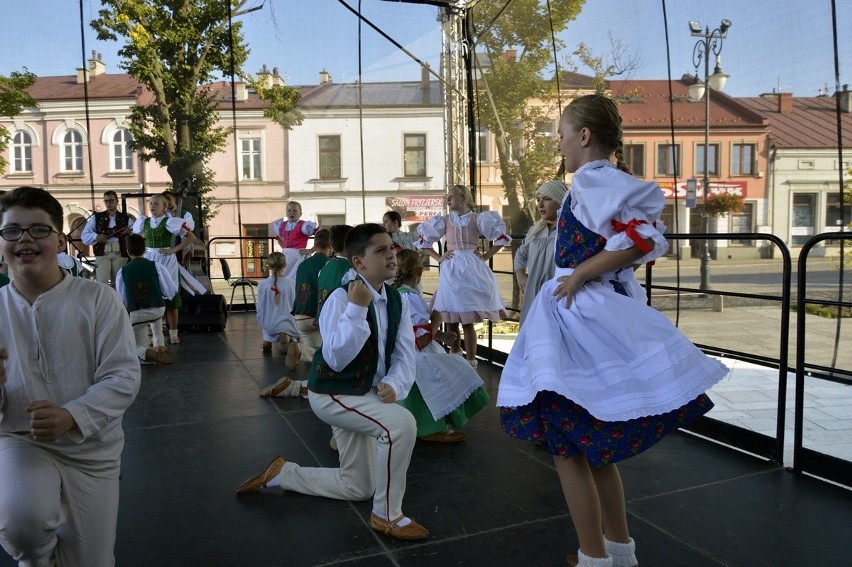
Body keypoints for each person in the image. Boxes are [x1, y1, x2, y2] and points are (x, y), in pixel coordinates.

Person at [496, 95, 728, 567]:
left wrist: (581, 273)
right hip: (586, 318)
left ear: (583, 137)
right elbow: (639, 237)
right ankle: (619, 551)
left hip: (582, 320)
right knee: (594, 445)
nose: (559, 144)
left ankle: (594, 556)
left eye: (562, 134)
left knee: (566, 445)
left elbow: (643, 239)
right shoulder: (592, 184)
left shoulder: (592, 179)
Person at [236, 223, 428, 541]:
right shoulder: (340, 300)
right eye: (380, 250)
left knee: (357, 485)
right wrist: (357, 307)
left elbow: (405, 354)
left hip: (366, 396)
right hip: (334, 394)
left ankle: (284, 475)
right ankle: (388, 515)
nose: (392, 255)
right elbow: (337, 359)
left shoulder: (397, 301)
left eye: (391, 248)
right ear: (358, 262)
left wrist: (395, 383)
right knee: (402, 425)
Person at [0, 186, 140, 566]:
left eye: (38, 230)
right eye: (12, 231)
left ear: (60, 240)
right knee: (22, 525)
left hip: (92, 451)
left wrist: (70, 416)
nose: (25, 239)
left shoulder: (98, 300)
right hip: (20, 439)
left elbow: (123, 376)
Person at [393, 249, 490, 442]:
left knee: (445, 366)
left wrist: (442, 336)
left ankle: (432, 424)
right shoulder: (410, 298)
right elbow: (418, 340)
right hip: (413, 355)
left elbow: (418, 332)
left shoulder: (401, 294)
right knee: (448, 369)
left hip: (406, 352)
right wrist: (436, 321)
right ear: (420, 272)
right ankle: (431, 427)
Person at [415, 184, 511, 367]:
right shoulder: (445, 220)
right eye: (448, 196)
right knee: (451, 319)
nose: (448, 199)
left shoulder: (477, 219)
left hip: (471, 271)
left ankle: (471, 361)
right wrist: (439, 257)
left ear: (465, 198)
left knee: (467, 320)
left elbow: (501, 237)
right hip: (452, 270)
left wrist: (486, 255)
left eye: (452, 196)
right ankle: (455, 358)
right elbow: (424, 240)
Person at [131, 194, 197, 345]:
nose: (152, 206)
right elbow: (136, 238)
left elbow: (190, 237)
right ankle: (155, 334)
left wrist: (173, 250)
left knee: (171, 296)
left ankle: (173, 333)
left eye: (156, 204)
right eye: (151, 203)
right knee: (151, 296)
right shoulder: (144, 222)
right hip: (149, 259)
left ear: (164, 207)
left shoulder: (170, 222)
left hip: (166, 260)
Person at [115, 233, 178, 366]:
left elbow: (122, 298)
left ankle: (144, 353)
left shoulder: (123, 271)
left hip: (137, 314)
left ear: (128, 252)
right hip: (158, 310)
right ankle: (160, 347)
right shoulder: (156, 266)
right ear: (145, 250)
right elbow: (170, 290)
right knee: (155, 317)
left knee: (136, 340)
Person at [514, 180, 569, 326]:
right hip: (533, 294)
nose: (540, 205)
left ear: (560, 200)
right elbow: (520, 254)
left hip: (557, 294)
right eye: (538, 200)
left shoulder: (570, 232)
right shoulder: (535, 231)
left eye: (547, 199)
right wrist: (520, 275)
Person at [291, 228, 332, 361]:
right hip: (316, 316)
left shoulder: (303, 264)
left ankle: (301, 350)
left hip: (299, 316)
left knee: (312, 353)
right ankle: (301, 351)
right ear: (331, 246)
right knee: (327, 354)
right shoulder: (329, 264)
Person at [256, 252, 301, 368]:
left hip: (269, 326)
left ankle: (267, 340)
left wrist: (263, 321)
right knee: (289, 315)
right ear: (285, 265)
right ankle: (289, 338)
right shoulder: (291, 284)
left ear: (269, 266)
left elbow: (260, 308)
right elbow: (295, 306)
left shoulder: (262, 285)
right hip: (289, 325)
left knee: (268, 314)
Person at [81, 190, 132, 286]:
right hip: (102, 253)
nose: (109, 203)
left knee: (119, 282)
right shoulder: (96, 218)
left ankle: (118, 301)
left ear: (117, 201)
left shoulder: (126, 219)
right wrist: (96, 236)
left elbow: (135, 233)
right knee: (102, 281)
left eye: (111, 200)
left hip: (120, 253)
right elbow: (84, 236)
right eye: (106, 201)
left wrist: (129, 233)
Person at [271, 201, 318, 279]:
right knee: (284, 278)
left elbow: (320, 235)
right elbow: (279, 238)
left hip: (299, 256)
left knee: (298, 279)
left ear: (300, 213)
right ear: (286, 212)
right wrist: (285, 248)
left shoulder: (304, 226)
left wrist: (311, 250)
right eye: (289, 210)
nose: (291, 213)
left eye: (295, 211)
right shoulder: (282, 225)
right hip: (286, 256)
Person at [315, 224, 353, 320]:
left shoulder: (325, 267)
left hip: (323, 320)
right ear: (350, 243)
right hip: (340, 322)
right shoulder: (350, 270)